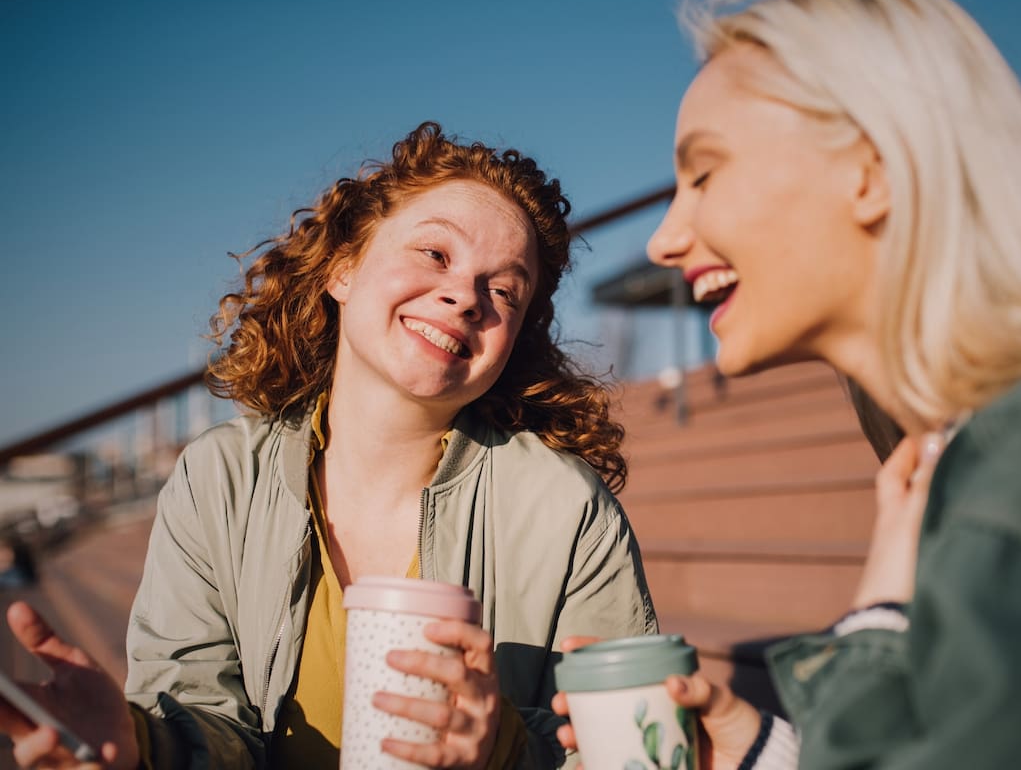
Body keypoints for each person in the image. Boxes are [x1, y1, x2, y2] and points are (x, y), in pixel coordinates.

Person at [555, 0, 1021, 767]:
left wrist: (872, 636)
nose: (663, 240)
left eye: (706, 174)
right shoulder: (991, 452)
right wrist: (763, 750)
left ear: (874, 169)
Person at [0, 122, 657, 769]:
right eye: (435, 253)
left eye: (505, 290)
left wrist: (502, 747)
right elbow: (201, 716)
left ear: (515, 336)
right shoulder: (218, 477)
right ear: (344, 267)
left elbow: (630, 748)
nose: (465, 296)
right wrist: (145, 746)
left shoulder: (566, 507)